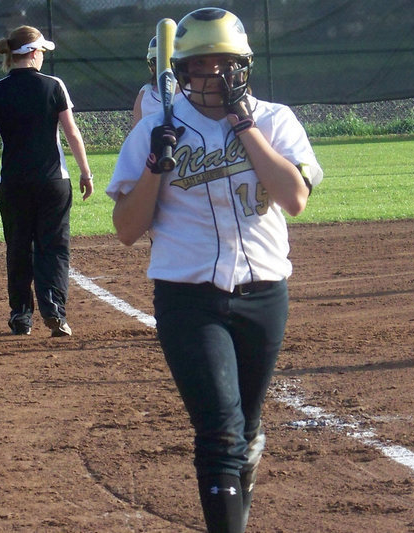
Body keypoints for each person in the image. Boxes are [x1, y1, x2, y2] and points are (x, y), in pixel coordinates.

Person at [106, 7, 323, 533]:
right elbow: (127, 229)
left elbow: (294, 198)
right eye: (201, 66)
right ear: (180, 73)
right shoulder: (155, 133)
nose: (214, 76)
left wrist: (243, 125)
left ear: (243, 66)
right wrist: (157, 166)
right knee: (221, 433)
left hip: (265, 294)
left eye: (225, 64)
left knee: (245, 431)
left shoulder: (275, 119)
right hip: (188, 298)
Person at [0, 25, 93, 338]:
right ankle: (54, 311)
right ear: (33, 53)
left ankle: (21, 317)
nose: (42, 57)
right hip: (53, 182)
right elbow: (72, 132)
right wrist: (85, 172)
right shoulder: (54, 86)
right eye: (41, 51)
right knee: (54, 247)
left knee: (19, 249)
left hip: (13, 184)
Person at [131, 35, 183, 127]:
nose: (165, 67)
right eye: (159, 62)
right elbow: (137, 134)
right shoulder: (146, 94)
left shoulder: (192, 93)